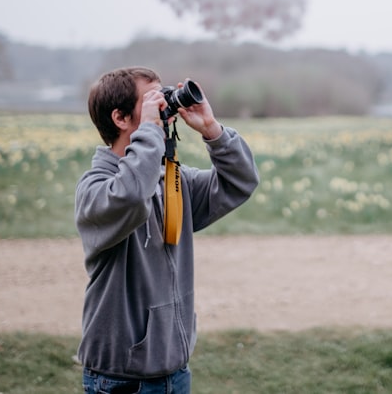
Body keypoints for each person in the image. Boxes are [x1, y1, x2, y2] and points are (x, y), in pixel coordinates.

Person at [75, 66, 259, 393]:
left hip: (174, 369)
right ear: (120, 118)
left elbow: (240, 182)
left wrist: (212, 131)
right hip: (122, 378)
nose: (164, 107)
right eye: (152, 100)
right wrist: (149, 132)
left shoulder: (172, 181)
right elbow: (132, 196)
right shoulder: (96, 190)